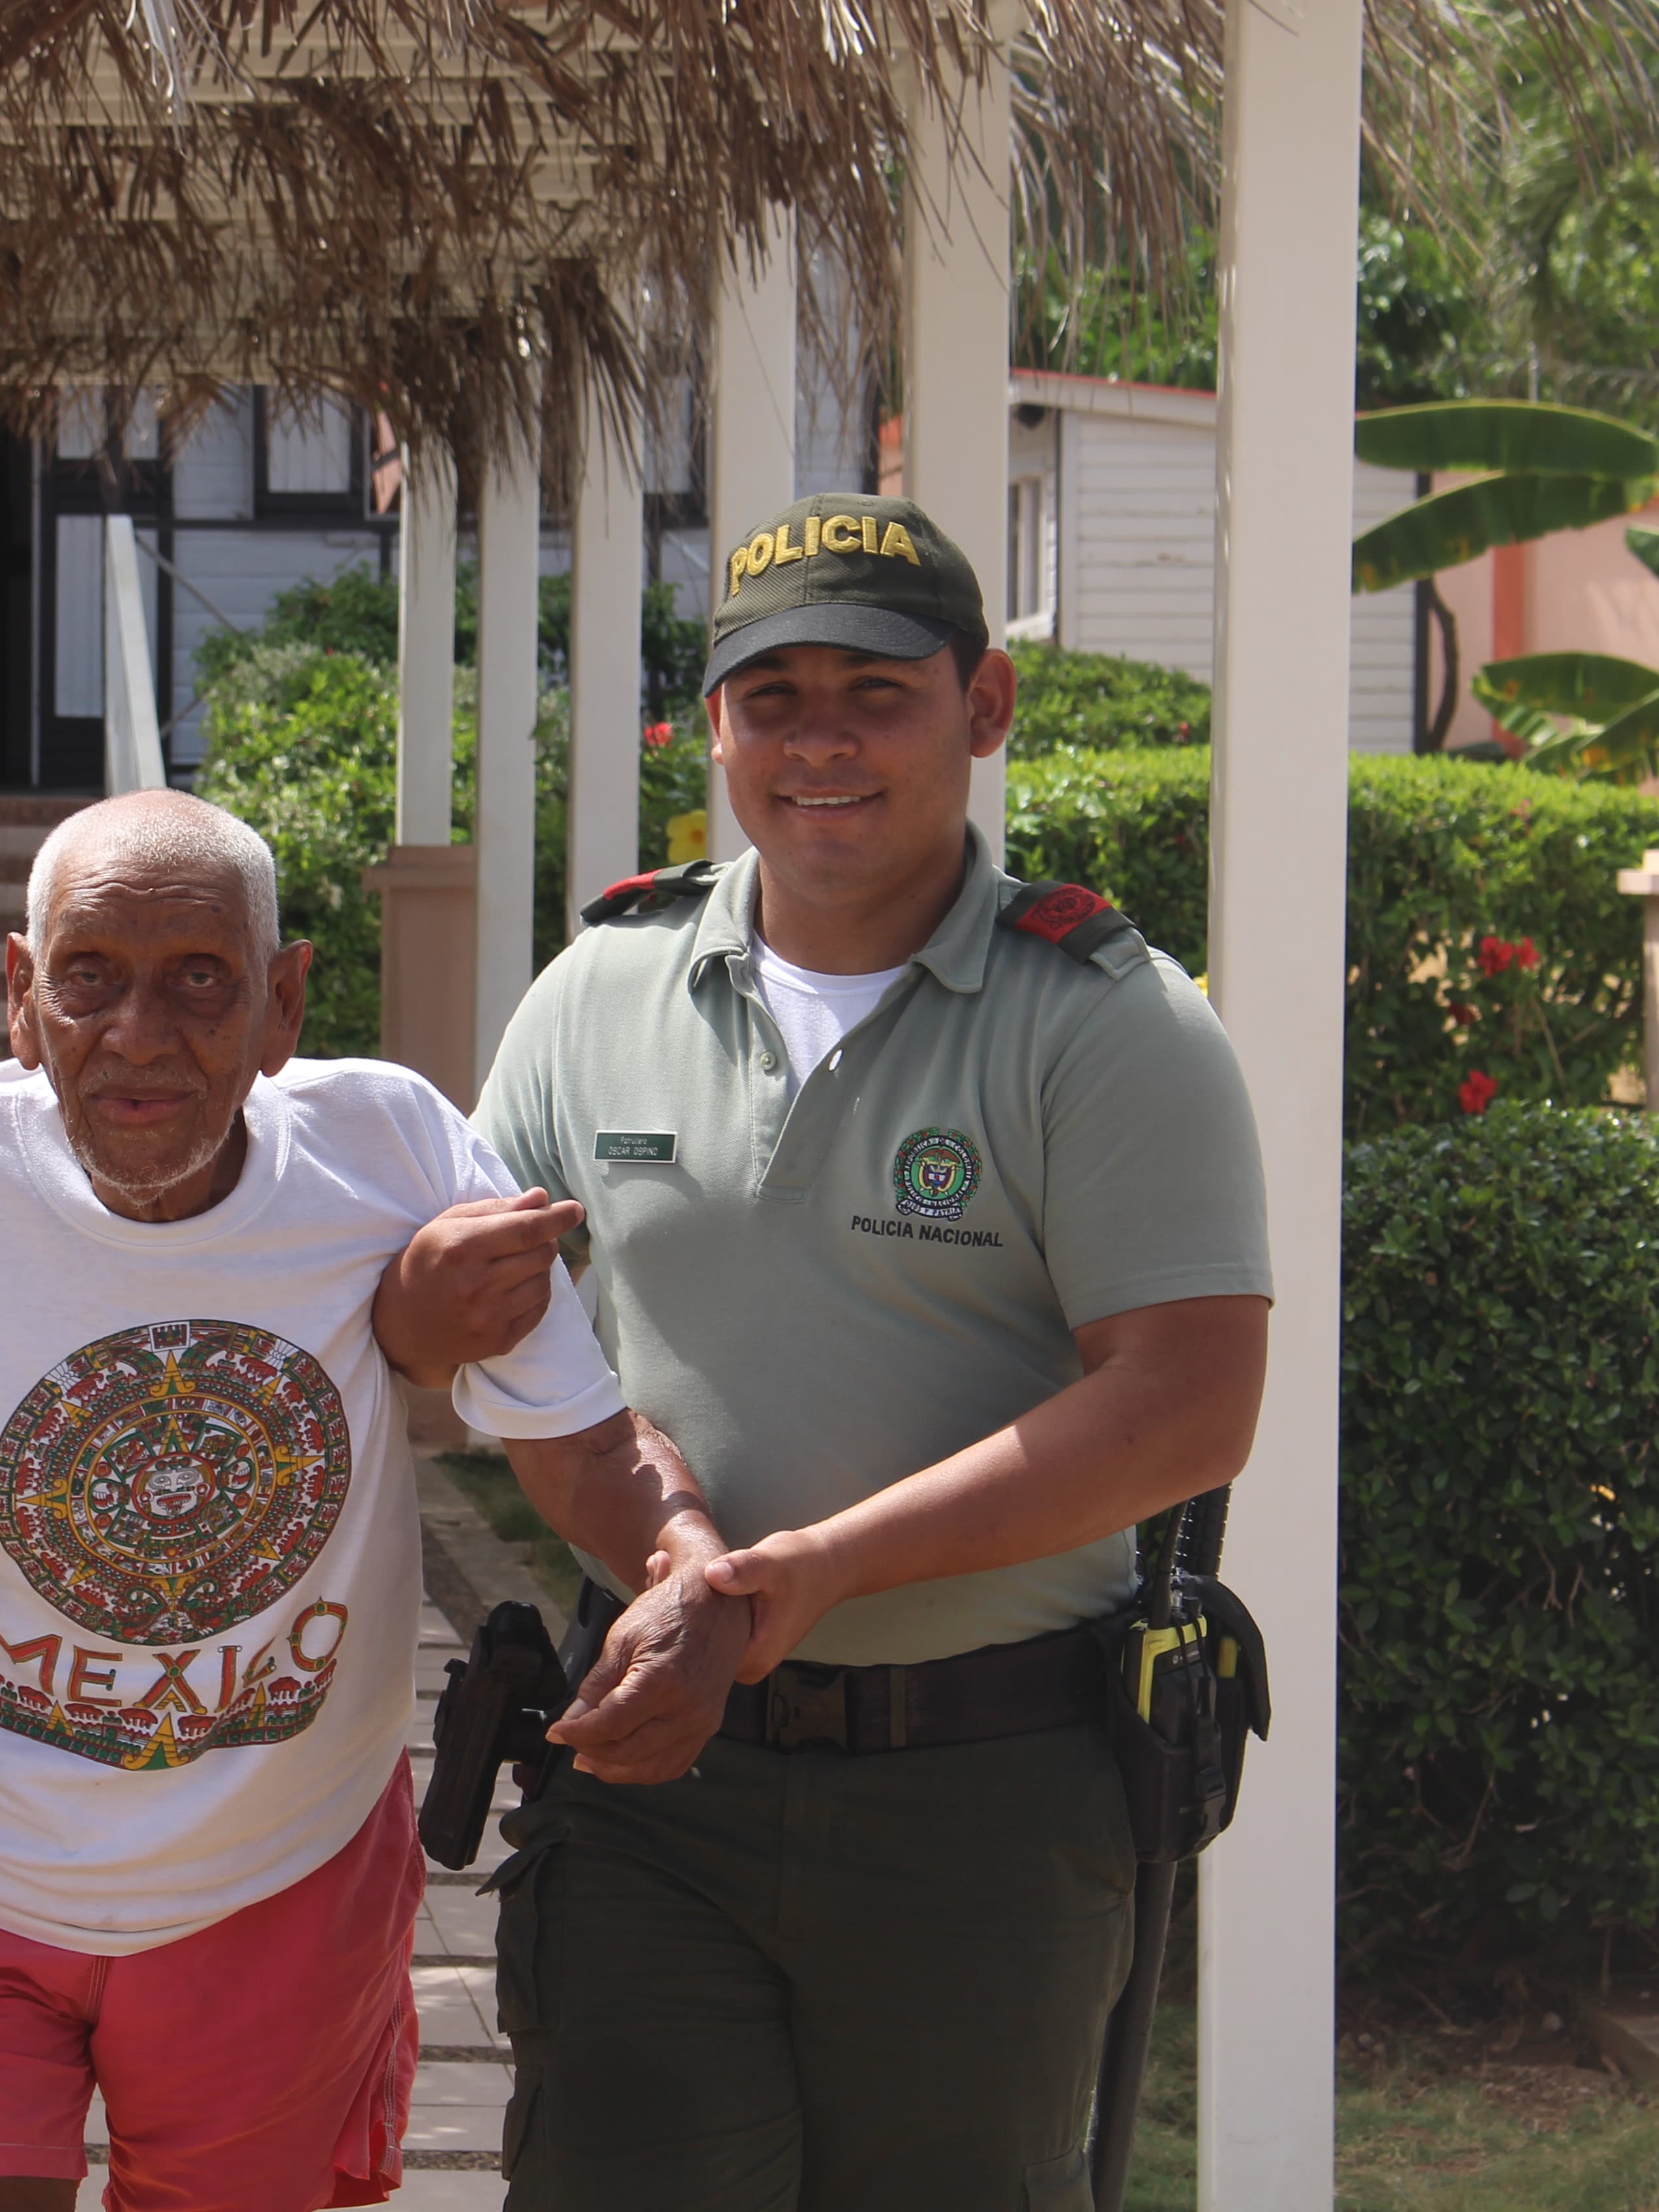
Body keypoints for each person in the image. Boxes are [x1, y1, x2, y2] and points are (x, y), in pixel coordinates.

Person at [0, 788, 748, 2212]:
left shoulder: (395, 1156)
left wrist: (687, 1570)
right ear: (19, 997)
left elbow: (580, 1440)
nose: (141, 1034)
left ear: (284, 1000)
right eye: (90, 979)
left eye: (201, 979)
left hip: (279, 1882)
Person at [458, 493, 1277, 2209]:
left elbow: (1190, 1402)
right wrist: (685, 1575)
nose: (818, 744)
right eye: (774, 699)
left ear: (981, 709)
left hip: (979, 1804)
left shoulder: (1109, 1023)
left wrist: (806, 1577)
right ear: (715, 726)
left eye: (874, 694)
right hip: (649, 1782)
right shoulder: (596, 989)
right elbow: (515, 1344)